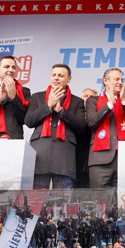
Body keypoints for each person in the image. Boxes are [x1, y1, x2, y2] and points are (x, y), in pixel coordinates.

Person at [25, 63, 86, 191]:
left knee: (62, 204)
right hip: (40, 156)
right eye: (54, 75)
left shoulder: (77, 101)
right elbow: (29, 121)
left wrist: (61, 111)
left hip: (65, 158)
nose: (56, 78)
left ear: (69, 79)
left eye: (60, 75)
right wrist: (48, 105)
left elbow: (81, 125)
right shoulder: (38, 97)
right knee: (36, 202)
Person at [85, 67, 125, 188]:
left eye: (122, 79)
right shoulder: (93, 100)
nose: (120, 82)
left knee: (121, 201)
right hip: (100, 159)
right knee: (100, 201)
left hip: (123, 159)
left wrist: (123, 101)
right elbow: (92, 122)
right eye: (117, 79)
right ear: (105, 81)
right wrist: (109, 104)